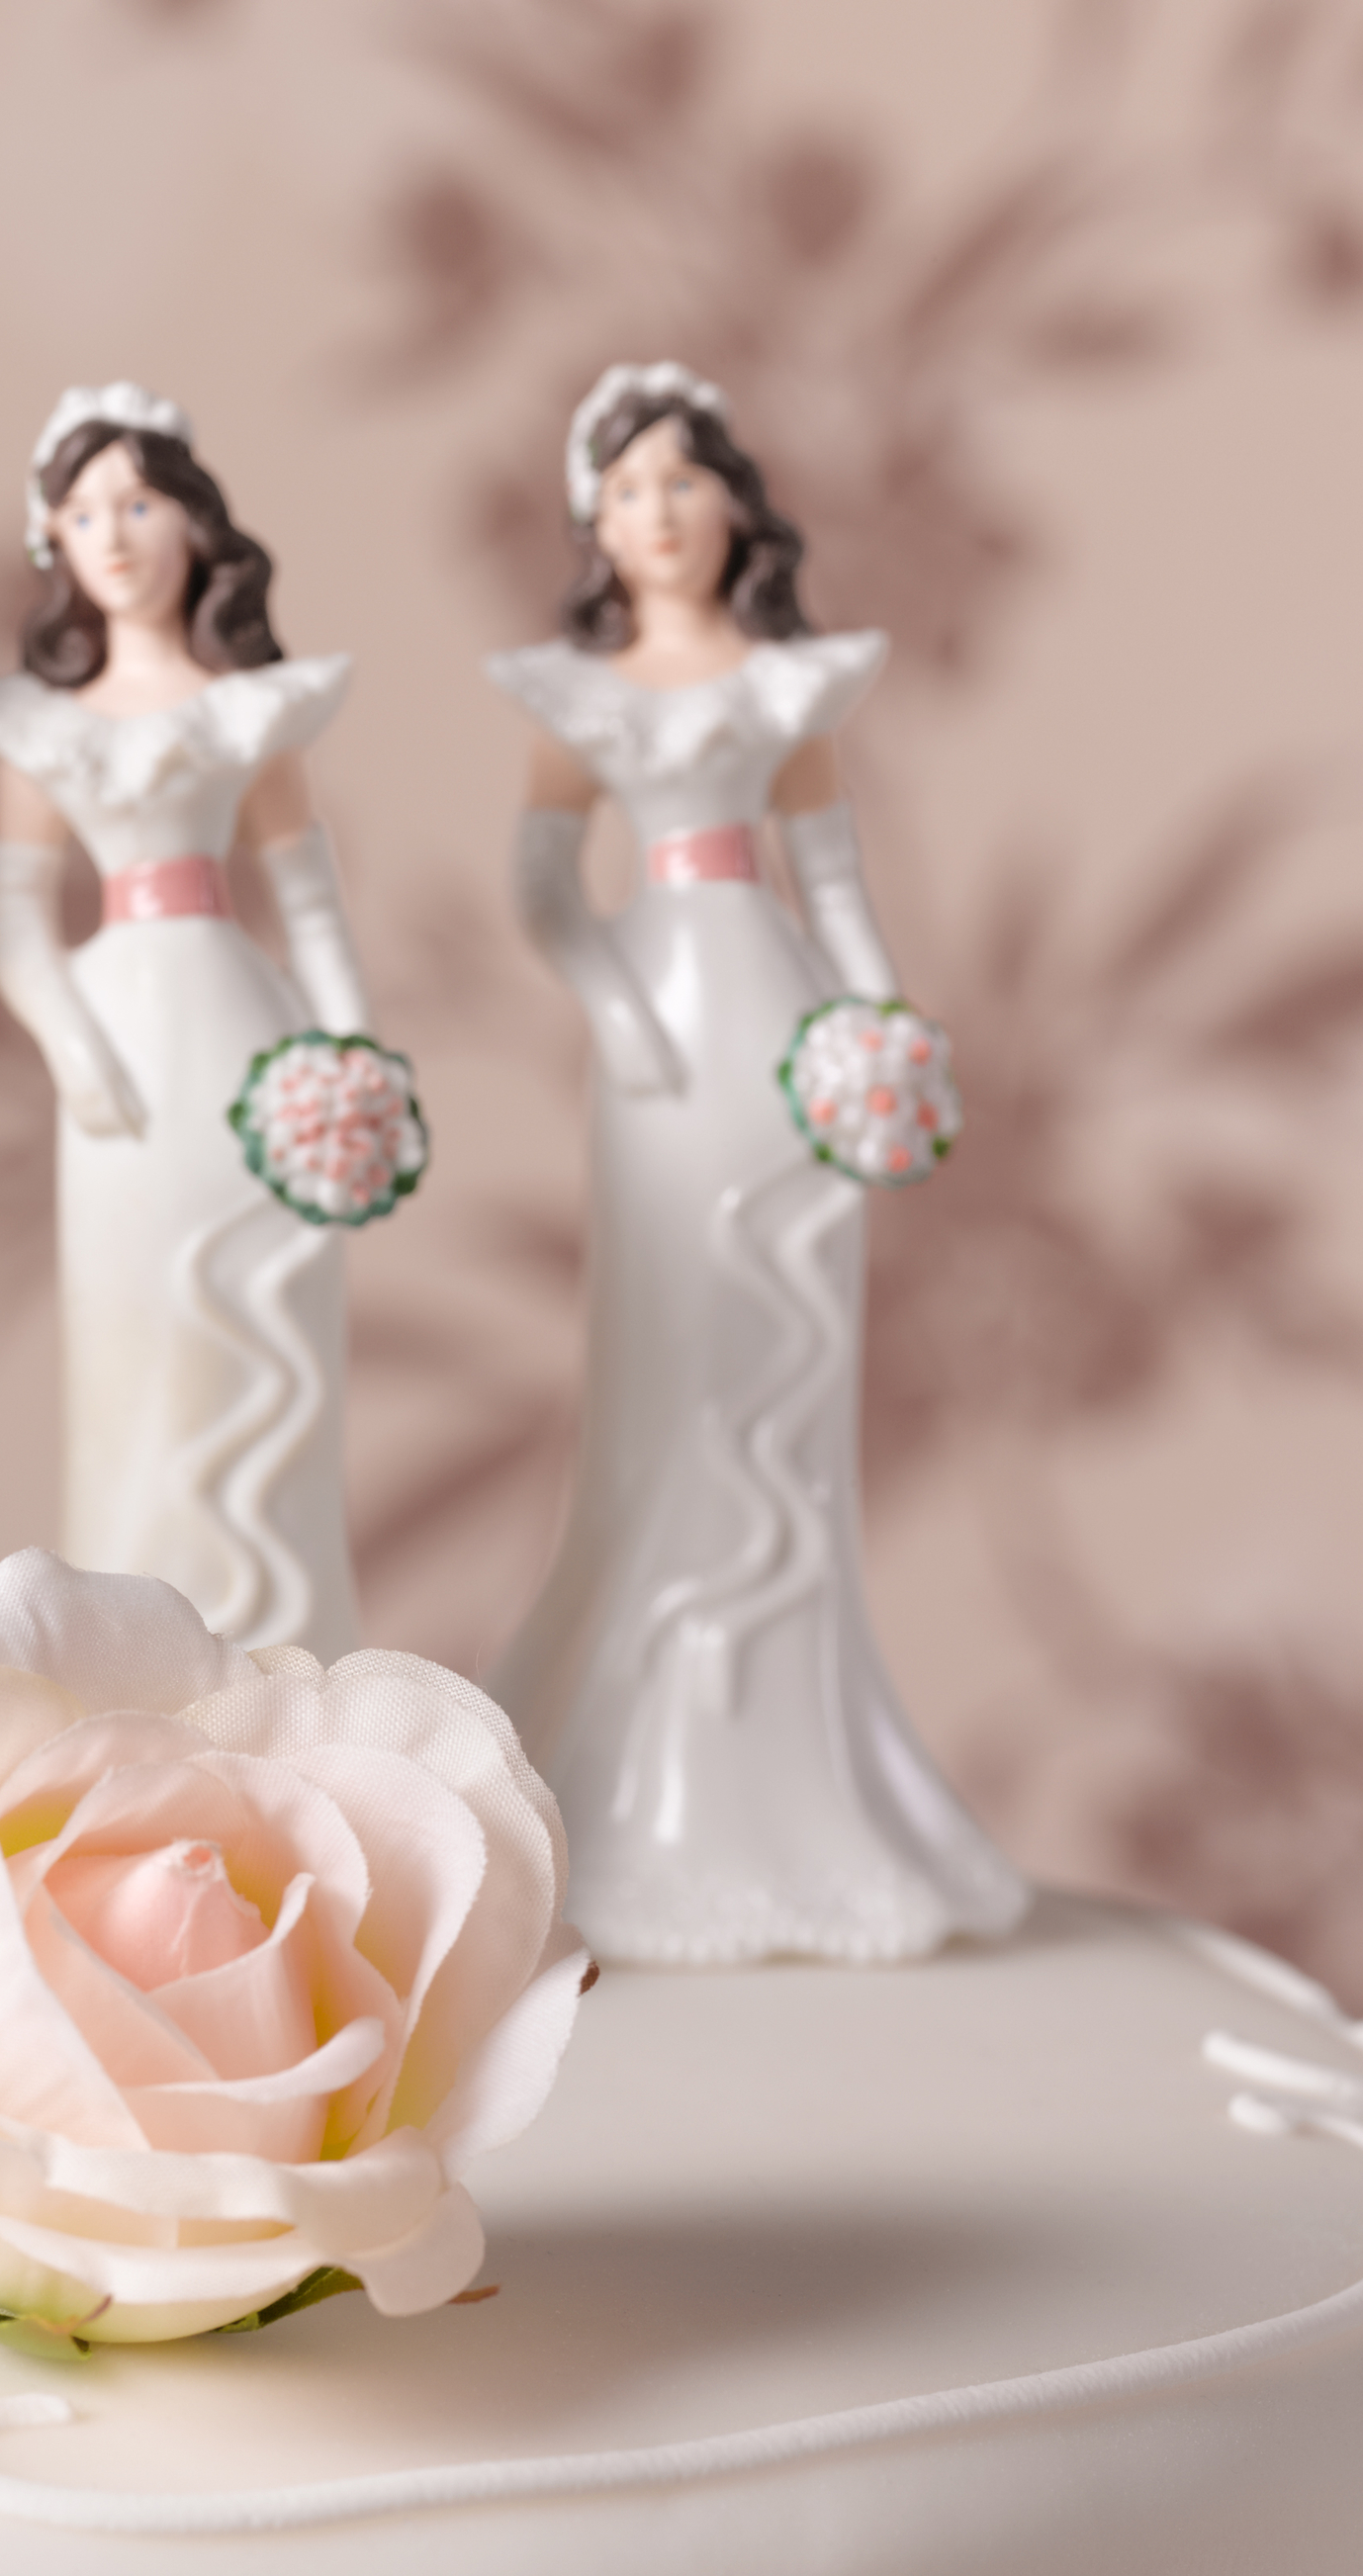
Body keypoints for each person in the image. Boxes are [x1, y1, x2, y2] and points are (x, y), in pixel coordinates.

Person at [483, 365, 1025, 1964]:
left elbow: (836, 881)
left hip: (779, 1022)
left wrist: (874, 1022)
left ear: (736, 504)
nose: (661, 512)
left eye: (685, 481)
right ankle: (638, 1760)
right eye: (631, 488)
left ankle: (791, 1780)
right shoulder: (579, 698)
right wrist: (609, 1004)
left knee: (790, 1384)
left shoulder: (788, 691)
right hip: (659, 1028)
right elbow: (540, 883)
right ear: (599, 520)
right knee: (675, 1360)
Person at [0, 383, 372, 1658]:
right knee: (139, 1359)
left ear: (195, 523)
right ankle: (143, 1661)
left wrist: (349, 1060)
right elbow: (17, 912)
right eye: (84, 513)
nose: (117, 535)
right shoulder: (44, 729)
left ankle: (288, 1666)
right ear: (56, 547)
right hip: (123, 1054)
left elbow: (309, 898)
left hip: (242, 1035)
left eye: (140, 502)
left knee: (264, 1339)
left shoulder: (249, 709)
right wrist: (69, 1041)